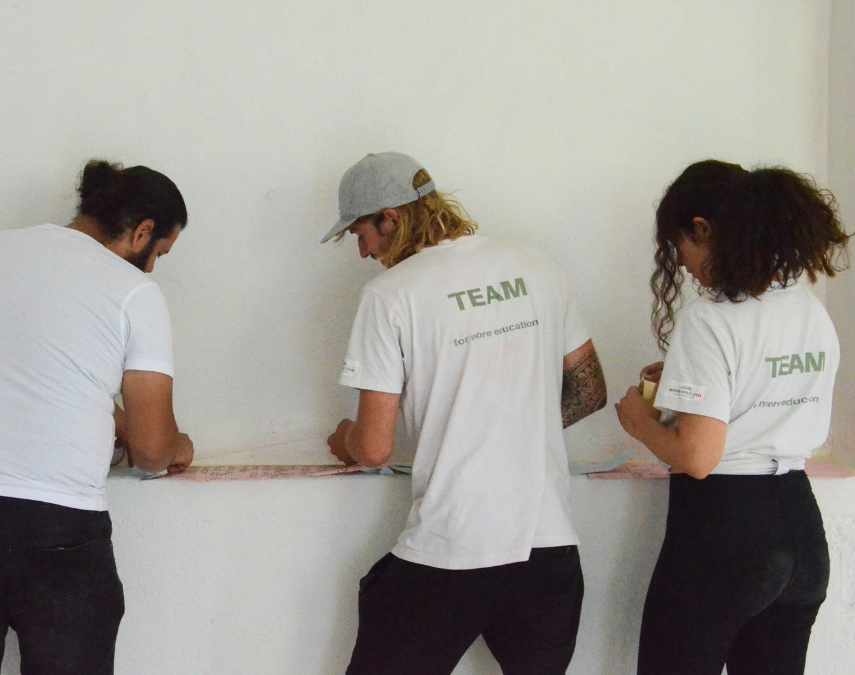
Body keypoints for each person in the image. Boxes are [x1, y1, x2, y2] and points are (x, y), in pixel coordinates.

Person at [322, 152, 607, 675]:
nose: (363, 252)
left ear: (392, 218)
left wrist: (348, 440)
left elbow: (374, 448)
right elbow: (589, 391)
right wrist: (515, 427)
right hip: (549, 550)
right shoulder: (537, 266)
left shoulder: (389, 295)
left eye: (360, 234)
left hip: (453, 547)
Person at [0, 159, 194, 675]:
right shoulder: (134, 290)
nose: (152, 267)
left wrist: (119, 422)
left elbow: (34, 368)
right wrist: (179, 445)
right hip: (51, 515)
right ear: (143, 231)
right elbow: (153, 452)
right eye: (159, 252)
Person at [616, 160, 848, 675]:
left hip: (724, 530)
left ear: (702, 230)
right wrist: (688, 382)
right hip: (802, 532)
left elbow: (698, 457)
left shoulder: (711, 319)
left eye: (680, 247)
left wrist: (639, 421)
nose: (684, 266)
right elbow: (763, 390)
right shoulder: (807, 307)